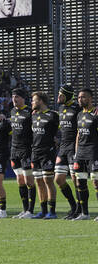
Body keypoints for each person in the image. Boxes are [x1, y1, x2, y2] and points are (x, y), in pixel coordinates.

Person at [31, 92, 59, 219]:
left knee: (48, 180)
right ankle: (43, 211)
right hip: (35, 152)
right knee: (38, 181)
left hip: (47, 152)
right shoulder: (33, 116)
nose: (32, 102)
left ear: (41, 101)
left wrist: (57, 140)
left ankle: (52, 211)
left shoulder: (53, 116)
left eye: (34, 100)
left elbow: (62, 130)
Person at [54, 85, 81, 220]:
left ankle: (80, 209)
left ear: (68, 95)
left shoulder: (77, 108)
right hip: (63, 148)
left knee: (76, 179)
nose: (59, 97)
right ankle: (73, 206)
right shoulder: (60, 108)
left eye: (61, 95)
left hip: (74, 148)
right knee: (58, 179)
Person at [10, 88, 36, 219]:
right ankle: (25, 209)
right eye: (13, 97)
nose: (14, 99)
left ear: (23, 98)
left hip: (26, 150)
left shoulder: (30, 112)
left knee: (29, 180)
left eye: (17, 97)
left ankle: (31, 211)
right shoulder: (12, 111)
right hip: (14, 150)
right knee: (20, 180)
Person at [73, 88, 98, 221]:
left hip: (94, 152)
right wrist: (76, 153)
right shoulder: (79, 115)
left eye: (83, 97)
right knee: (80, 181)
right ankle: (85, 213)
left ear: (90, 98)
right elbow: (78, 134)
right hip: (81, 153)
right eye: (78, 97)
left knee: (96, 181)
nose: (80, 99)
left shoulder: (96, 113)